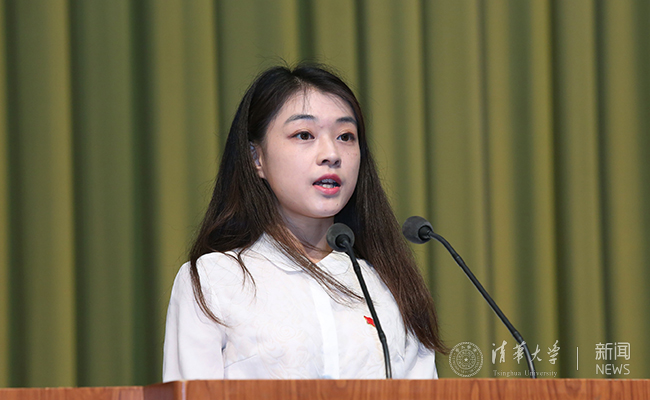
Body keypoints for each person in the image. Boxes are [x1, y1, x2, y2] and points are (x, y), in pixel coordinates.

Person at [162, 64, 446, 381]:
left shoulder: (387, 284)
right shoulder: (215, 281)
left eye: (345, 136)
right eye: (304, 135)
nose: (331, 154)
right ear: (256, 158)